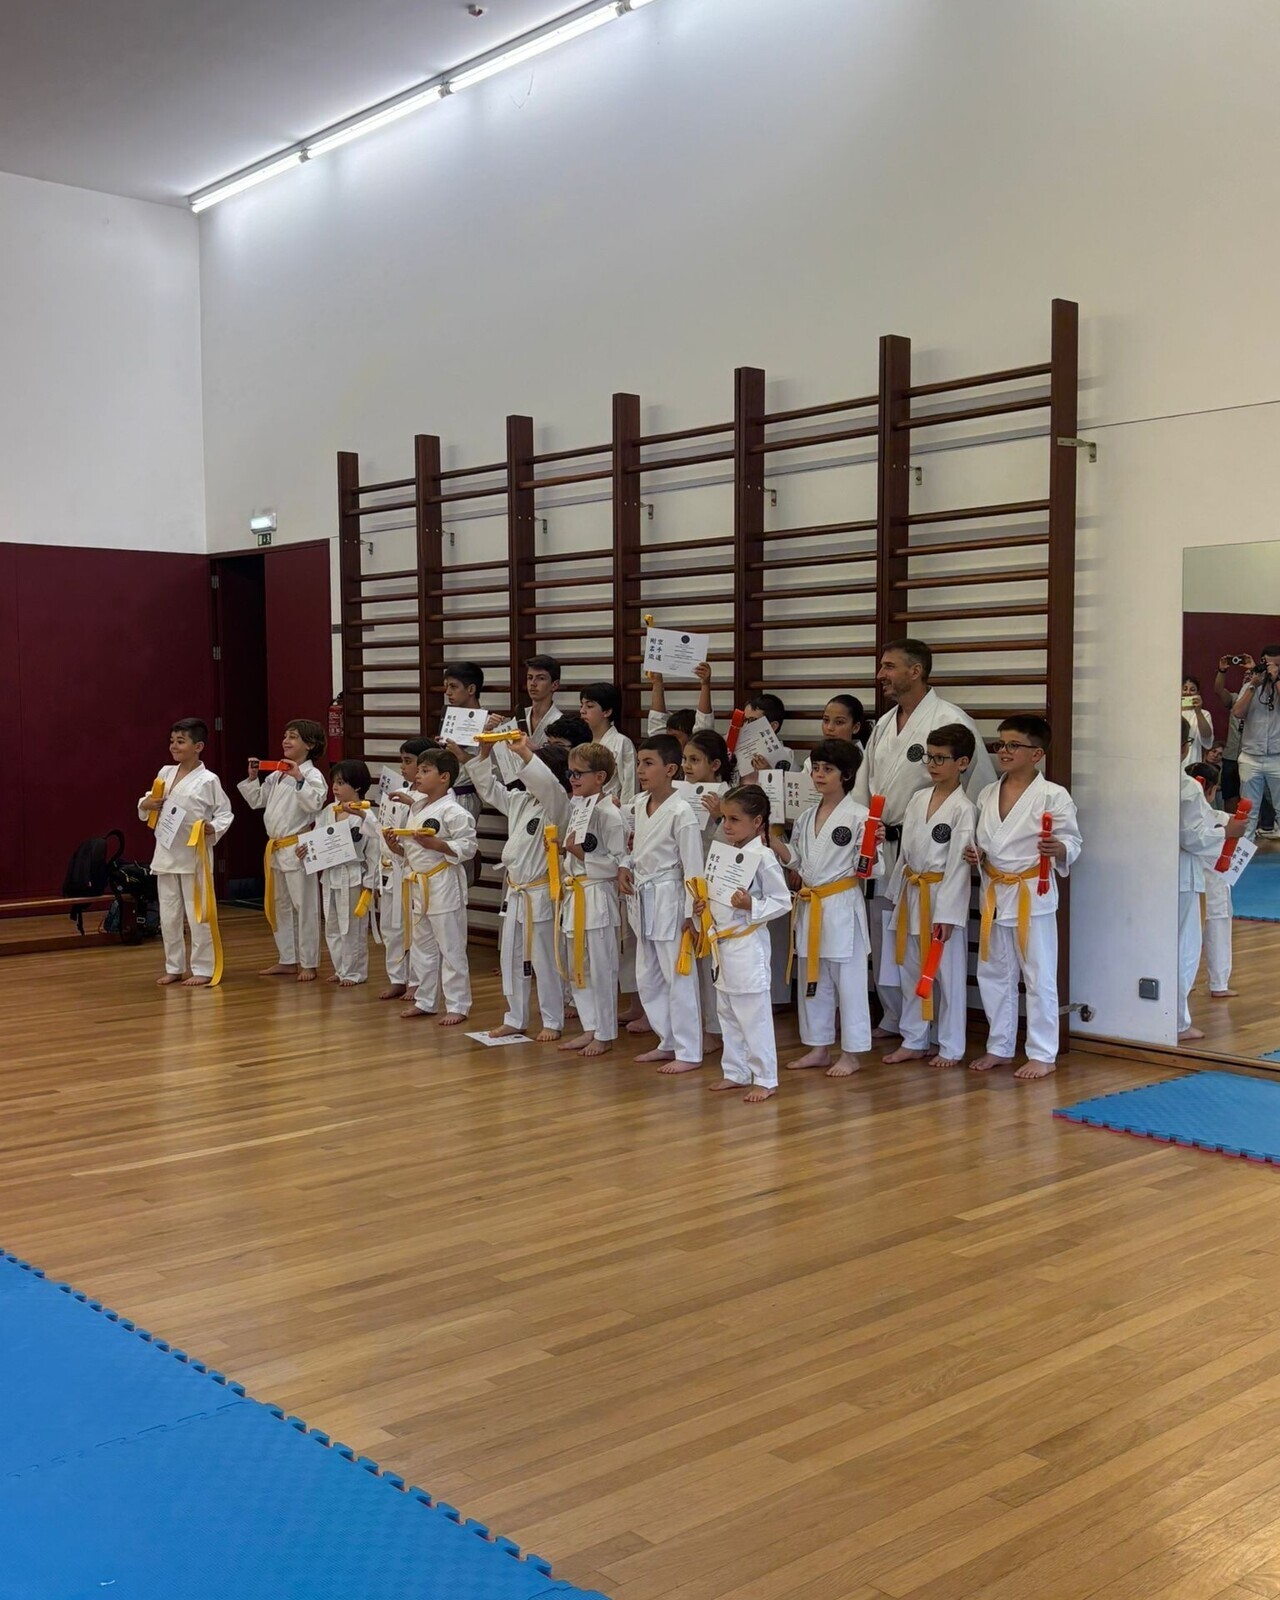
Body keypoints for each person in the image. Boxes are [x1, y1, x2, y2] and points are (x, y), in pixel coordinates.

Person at [853, 639, 996, 1040]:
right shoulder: (885, 723)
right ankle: (897, 1017)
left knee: (931, 941)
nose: (881, 675)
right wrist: (863, 835)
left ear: (915, 671)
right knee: (888, 934)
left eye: (889, 666)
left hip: (934, 849)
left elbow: (979, 787)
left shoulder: (950, 719)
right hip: (884, 845)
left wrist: (975, 845)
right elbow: (864, 786)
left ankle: (935, 1030)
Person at [966, 715, 1081, 1079]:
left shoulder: (1053, 795)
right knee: (993, 972)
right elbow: (983, 842)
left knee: (1039, 975)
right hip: (994, 892)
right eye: (1000, 744)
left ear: (1036, 754)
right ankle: (999, 1047)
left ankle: (1043, 1053)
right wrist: (976, 854)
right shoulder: (987, 793)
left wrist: (1060, 848)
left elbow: (1073, 841)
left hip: (1033, 892)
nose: (1004, 751)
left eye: (1013, 745)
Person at [779, 737, 878, 1079]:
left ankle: (851, 1053)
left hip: (841, 906)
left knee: (848, 984)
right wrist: (775, 843)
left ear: (846, 775)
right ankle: (819, 1047)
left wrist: (873, 848)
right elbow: (798, 861)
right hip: (811, 903)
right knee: (813, 980)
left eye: (828, 769)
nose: (819, 775)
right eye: (816, 768)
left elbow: (870, 869)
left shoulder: (861, 816)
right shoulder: (806, 816)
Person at [520, 738, 625, 1057]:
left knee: (602, 968)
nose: (573, 779)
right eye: (570, 773)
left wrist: (580, 853)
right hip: (573, 894)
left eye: (579, 773)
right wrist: (560, 852)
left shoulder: (610, 814)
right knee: (578, 965)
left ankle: (605, 1033)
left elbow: (618, 864)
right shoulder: (577, 807)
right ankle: (590, 1026)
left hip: (597, 895)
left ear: (600, 777)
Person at [463, 736, 569, 1042]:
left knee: (545, 960)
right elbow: (489, 789)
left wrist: (524, 752)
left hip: (541, 893)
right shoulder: (522, 801)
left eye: (530, 767)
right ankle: (515, 1017)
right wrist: (484, 755)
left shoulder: (559, 805)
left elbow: (549, 786)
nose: (524, 773)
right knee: (511, 957)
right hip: (516, 891)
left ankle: (552, 1020)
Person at [883, 724, 977, 1069]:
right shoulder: (918, 798)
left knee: (947, 975)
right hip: (913, 891)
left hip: (940, 896)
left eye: (941, 758)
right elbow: (905, 854)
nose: (933, 765)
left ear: (962, 762)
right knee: (911, 971)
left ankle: (951, 1046)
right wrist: (896, 893)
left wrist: (948, 915)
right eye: (930, 757)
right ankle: (914, 1039)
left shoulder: (963, 808)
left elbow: (959, 866)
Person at [693, 785, 792, 1102]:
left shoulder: (764, 857)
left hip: (747, 944)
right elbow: (717, 896)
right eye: (724, 818)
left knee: (753, 1014)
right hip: (722, 945)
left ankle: (765, 1077)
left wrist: (752, 905)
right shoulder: (724, 854)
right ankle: (735, 1071)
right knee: (728, 1012)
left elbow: (783, 901)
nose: (727, 825)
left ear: (757, 821)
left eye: (734, 819)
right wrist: (703, 906)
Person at [618, 734, 705, 1074]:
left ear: (670, 769)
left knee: (678, 977)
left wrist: (692, 914)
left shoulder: (682, 812)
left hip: (672, 900)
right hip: (643, 898)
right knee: (648, 976)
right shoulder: (639, 804)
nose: (641, 770)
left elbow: (693, 867)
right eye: (639, 763)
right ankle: (666, 1040)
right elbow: (633, 847)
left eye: (648, 763)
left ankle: (689, 1050)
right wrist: (624, 865)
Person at [138, 717, 233, 988]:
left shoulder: (208, 780)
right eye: (172, 741)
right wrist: (146, 803)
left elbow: (225, 813)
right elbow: (147, 801)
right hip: (166, 853)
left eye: (181, 741)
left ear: (198, 746)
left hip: (194, 855)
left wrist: (213, 828)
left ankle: (203, 968)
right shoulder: (165, 773)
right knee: (169, 916)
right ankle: (174, 967)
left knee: (198, 914)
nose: (174, 746)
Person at [237, 719, 328, 982]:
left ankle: (308, 962)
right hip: (275, 848)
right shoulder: (278, 773)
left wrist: (299, 778)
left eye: (293, 737)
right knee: (281, 906)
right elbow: (258, 800)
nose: (286, 741)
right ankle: (288, 959)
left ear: (310, 745)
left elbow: (314, 804)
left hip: (298, 847)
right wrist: (253, 778)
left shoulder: (312, 776)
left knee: (305, 906)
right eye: (285, 736)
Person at [392, 747, 476, 1025]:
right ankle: (425, 1000)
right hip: (419, 883)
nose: (418, 775)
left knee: (451, 948)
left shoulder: (454, 811)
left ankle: (458, 1004)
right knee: (422, 946)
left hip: (443, 883)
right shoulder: (418, 807)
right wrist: (395, 847)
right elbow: (413, 851)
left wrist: (439, 845)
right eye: (418, 770)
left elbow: (468, 847)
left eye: (425, 771)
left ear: (444, 777)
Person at [1178, 725, 1243, 1039]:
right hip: (1191, 876)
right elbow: (1193, 837)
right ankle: (1179, 1020)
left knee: (1175, 943)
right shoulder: (1189, 790)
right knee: (1188, 943)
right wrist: (1228, 832)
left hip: (1161, 874)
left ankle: (1176, 1005)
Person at [300, 758, 378, 987]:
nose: (335, 787)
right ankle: (341, 968)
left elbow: (374, 851)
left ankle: (354, 972)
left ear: (358, 786)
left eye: (341, 783)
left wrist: (370, 882)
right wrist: (305, 851)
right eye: (334, 782)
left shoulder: (365, 814)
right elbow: (317, 841)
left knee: (352, 926)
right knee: (333, 925)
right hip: (330, 874)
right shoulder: (327, 811)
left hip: (353, 875)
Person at [368, 737, 434, 1001]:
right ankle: (397, 977)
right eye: (402, 761)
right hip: (389, 868)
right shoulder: (396, 791)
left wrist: (411, 805)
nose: (403, 767)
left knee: (414, 929)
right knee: (391, 927)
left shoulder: (429, 798)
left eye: (408, 761)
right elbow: (382, 829)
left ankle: (416, 982)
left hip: (411, 870)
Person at [1186, 760, 1237, 1000]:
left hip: (1190, 883)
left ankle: (1185, 982)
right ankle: (1219, 983)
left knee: (1186, 935)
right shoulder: (1223, 820)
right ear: (1211, 788)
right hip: (1212, 883)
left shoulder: (1184, 815)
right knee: (1217, 929)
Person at [1233, 646, 1280, 840]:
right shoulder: (1251, 686)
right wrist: (1253, 685)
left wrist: (1276, 680)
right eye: (1269, 664)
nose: (1272, 669)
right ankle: (1244, 851)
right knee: (1248, 811)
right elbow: (1237, 712)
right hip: (1250, 757)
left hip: (1278, 757)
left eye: (1277, 665)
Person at [442, 661, 486, 826]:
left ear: (471, 689)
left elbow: (493, 770)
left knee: (461, 840)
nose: (448, 692)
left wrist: (461, 755)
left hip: (466, 795)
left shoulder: (489, 724)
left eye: (453, 687)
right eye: (447, 686)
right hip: (444, 793)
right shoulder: (450, 720)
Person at [579, 681, 637, 802]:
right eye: (581, 705)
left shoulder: (621, 742)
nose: (582, 711)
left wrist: (625, 810)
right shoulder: (583, 742)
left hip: (612, 806)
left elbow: (629, 785)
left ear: (607, 712)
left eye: (589, 706)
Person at [648, 660, 715, 742]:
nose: (671, 741)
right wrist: (657, 683)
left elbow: (703, 726)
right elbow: (657, 721)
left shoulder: (698, 746)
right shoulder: (665, 747)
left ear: (691, 737)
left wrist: (705, 684)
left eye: (675, 737)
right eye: (669, 736)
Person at [1182, 676, 1213, 766]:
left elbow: (1206, 737)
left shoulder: (1204, 714)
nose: (1188, 692)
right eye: (1184, 689)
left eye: (1192, 690)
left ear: (1198, 693)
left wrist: (1198, 711)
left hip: (1192, 760)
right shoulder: (1170, 710)